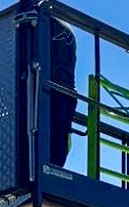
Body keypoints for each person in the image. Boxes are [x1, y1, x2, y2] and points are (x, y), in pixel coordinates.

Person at [49, 17, 77, 168]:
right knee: (59, 141)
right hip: (67, 93)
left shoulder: (40, 18)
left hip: (48, 92)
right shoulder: (65, 26)